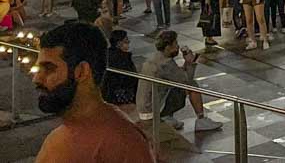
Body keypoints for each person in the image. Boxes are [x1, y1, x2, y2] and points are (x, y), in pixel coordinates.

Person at [32, 22, 155, 163]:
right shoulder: (62, 135)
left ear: (82, 72)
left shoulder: (122, 144)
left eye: (49, 68)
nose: (36, 79)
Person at [135, 30, 222, 133]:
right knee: (192, 85)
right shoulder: (166, 63)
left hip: (144, 107)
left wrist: (186, 64)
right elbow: (186, 80)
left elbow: (177, 75)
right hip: (153, 109)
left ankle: (167, 116)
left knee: (170, 87)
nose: (178, 46)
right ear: (167, 47)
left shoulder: (157, 57)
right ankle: (201, 120)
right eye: (175, 44)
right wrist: (190, 63)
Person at [100, 30, 138, 106]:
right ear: (119, 43)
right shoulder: (123, 58)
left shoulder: (107, 54)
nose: (129, 43)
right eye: (126, 41)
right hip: (118, 93)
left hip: (107, 91)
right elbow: (130, 78)